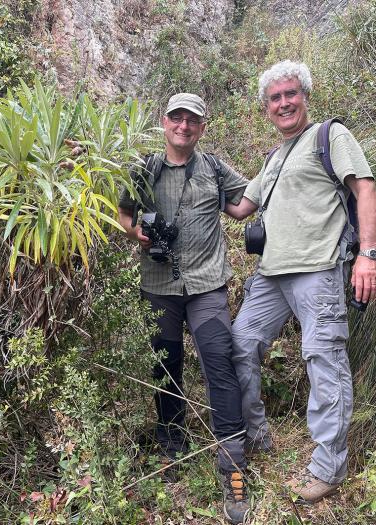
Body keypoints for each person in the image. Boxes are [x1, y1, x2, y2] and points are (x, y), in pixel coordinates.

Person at [224, 60, 376, 503]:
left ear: (305, 96)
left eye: (291, 93)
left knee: (323, 359)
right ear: (265, 108)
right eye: (275, 98)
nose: (284, 103)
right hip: (270, 276)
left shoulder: (329, 136)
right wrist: (198, 173)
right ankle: (256, 435)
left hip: (318, 269)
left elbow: (365, 189)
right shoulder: (274, 158)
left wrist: (368, 255)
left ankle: (329, 469)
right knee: (240, 343)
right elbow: (241, 207)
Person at [118, 93, 251, 524]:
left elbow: (243, 203)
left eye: (192, 120)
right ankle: (172, 444)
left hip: (208, 286)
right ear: (164, 122)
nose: (184, 126)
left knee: (220, 362)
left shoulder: (213, 167)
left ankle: (232, 461)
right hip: (159, 287)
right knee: (166, 366)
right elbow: (122, 213)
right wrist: (136, 230)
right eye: (176, 117)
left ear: (201, 127)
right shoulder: (145, 169)